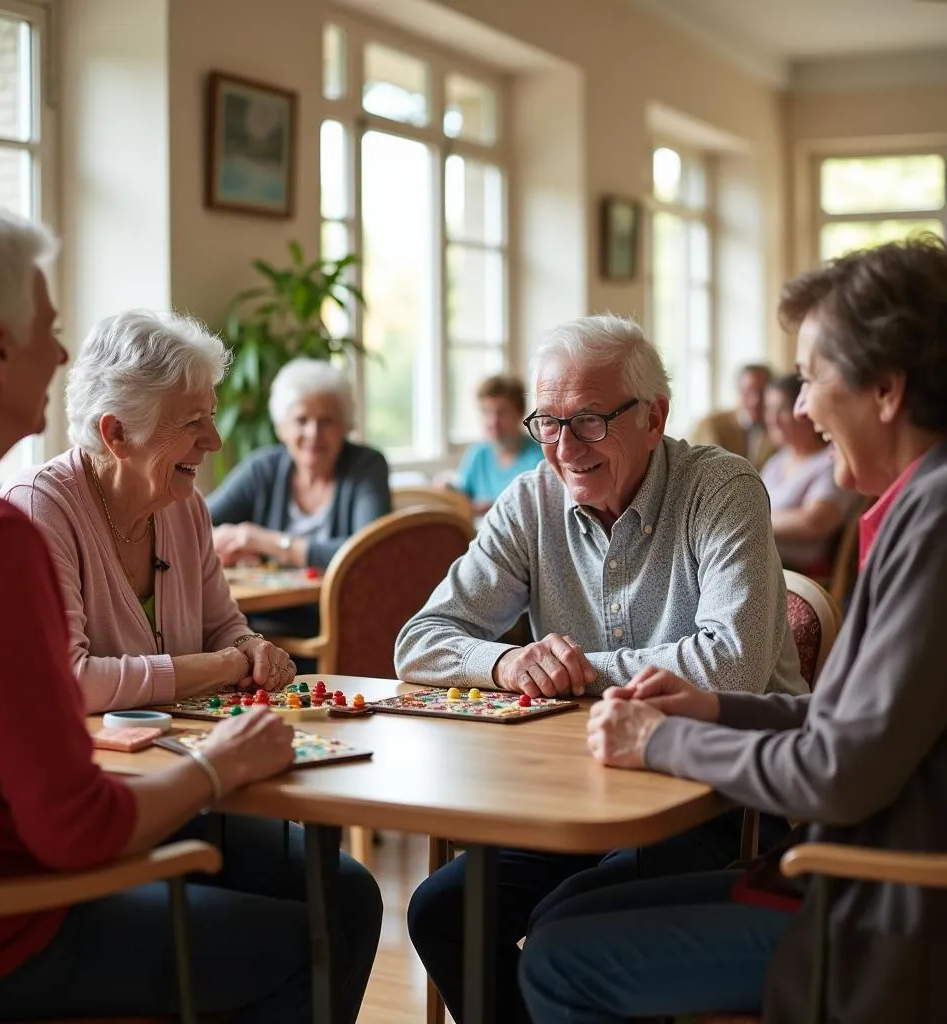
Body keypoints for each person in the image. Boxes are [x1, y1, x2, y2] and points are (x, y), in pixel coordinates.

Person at [0, 199, 380, 1022]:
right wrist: (216, 768)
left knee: (334, 895)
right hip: (6, 932)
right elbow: (74, 828)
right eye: (46, 328)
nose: (61, 351)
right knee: (317, 935)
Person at [519, 235, 947, 1024]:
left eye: (815, 379)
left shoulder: (938, 522)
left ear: (886, 389)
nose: (804, 407)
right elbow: (848, 728)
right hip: (853, 874)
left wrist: (658, 741)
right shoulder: (918, 509)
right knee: (554, 919)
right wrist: (710, 708)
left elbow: (836, 770)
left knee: (556, 961)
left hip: (891, 913)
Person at [396, 314, 806, 1024]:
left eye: (588, 420)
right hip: (585, 792)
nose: (563, 448)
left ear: (655, 417)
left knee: (565, 921)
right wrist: (509, 661)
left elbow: (731, 664)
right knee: (444, 910)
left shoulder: (723, 487)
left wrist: (577, 670)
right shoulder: (532, 498)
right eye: (547, 423)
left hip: (724, 795)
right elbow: (422, 641)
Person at [2, 310, 298, 714]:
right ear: (117, 433)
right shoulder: (40, 506)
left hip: (183, 745)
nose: (214, 440)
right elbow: (67, 680)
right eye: (193, 422)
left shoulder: (184, 505)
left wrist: (250, 647)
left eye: (210, 416)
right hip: (89, 760)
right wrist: (223, 665)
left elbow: (223, 627)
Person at [207, 357, 390, 636]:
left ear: (346, 426)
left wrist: (264, 541)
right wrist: (229, 545)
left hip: (342, 625)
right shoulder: (263, 468)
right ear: (281, 428)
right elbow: (194, 521)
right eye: (301, 420)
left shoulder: (366, 466)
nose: (313, 433)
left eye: (326, 421)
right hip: (262, 622)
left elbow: (366, 553)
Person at [760, 371, 853, 576]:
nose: (772, 419)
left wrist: (751, 521)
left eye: (782, 409)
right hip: (766, 564)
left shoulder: (831, 460)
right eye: (769, 409)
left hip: (800, 576)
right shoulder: (777, 461)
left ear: (805, 413)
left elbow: (815, 522)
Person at [451, 373, 543, 514]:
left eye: (502, 413)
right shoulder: (477, 453)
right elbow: (461, 496)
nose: (493, 422)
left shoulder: (539, 459)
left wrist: (493, 508)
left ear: (520, 412)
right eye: (486, 412)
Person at [693, 363, 777, 469]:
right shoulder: (713, 425)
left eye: (762, 392)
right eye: (748, 391)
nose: (755, 400)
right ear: (738, 391)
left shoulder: (778, 428)